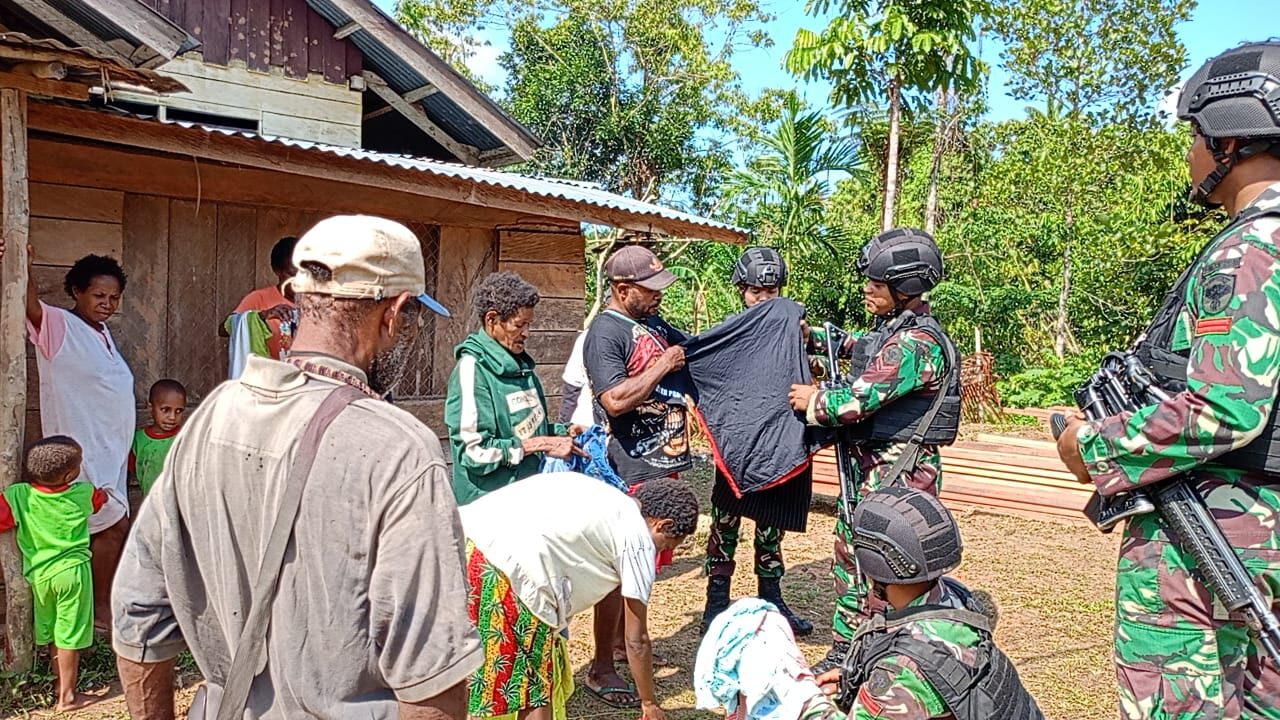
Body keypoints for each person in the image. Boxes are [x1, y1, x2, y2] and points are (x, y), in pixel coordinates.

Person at [111, 214, 477, 720]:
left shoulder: (210, 418)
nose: (406, 335)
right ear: (393, 313)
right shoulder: (399, 448)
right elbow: (429, 676)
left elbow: (138, 617)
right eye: (412, 317)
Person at [1056, 41, 1280, 719]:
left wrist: (1089, 446)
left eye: (1194, 135)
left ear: (1231, 138)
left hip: (1213, 530)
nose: (1189, 153)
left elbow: (1221, 407)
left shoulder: (1251, 248)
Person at [695, 487, 1043, 720]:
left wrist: (799, 698)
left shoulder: (906, 671)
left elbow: (905, 686)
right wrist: (852, 680)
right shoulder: (955, 601)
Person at [787, 228, 961, 673]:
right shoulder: (893, 332)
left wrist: (814, 400)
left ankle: (895, 647)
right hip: (872, 470)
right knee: (853, 559)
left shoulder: (915, 345)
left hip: (896, 474)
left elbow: (853, 402)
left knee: (889, 563)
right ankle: (851, 647)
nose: (867, 288)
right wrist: (814, 337)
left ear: (905, 289)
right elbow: (862, 351)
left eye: (877, 284)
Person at [460, 472, 698, 720]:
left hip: (466, 547)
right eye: (665, 545)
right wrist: (649, 704)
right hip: (509, 575)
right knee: (535, 687)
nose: (658, 553)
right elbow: (636, 640)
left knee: (473, 671)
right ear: (663, 525)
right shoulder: (637, 539)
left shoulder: (606, 497)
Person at [583, 244, 691, 690]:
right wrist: (664, 364)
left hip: (661, 466)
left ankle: (628, 644)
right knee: (618, 570)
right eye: (650, 290)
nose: (658, 297)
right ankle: (602, 664)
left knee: (644, 566)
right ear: (622, 289)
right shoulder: (604, 333)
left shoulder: (650, 323)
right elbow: (615, 399)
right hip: (628, 469)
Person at [703, 247, 813, 637]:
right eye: (754, 292)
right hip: (736, 446)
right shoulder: (731, 331)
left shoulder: (796, 329)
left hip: (778, 442)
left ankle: (772, 598)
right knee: (725, 524)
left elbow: (812, 374)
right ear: (741, 291)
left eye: (771, 292)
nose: (763, 299)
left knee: (772, 526)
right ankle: (716, 602)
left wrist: (805, 341)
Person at [20, 251, 134, 629]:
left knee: (107, 525)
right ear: (76, 292)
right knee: (110, 524)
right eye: (98, 296)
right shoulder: (59, 325)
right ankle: (99, 611)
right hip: (79, 450)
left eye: (114, 298)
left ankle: (88, 612)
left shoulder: (103, 334)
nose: (107, 304)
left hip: (109, 450)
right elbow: (28, 304)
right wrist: (21, 263)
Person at [445, 271, 581, 505]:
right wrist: (543, 444)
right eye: (519, 325)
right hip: (489, 506)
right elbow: (474, 452)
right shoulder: (473, 370)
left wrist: (562, 431)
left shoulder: (521, 368)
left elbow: (522, 430)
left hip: (524, 498)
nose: (526, 333)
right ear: (492, 320)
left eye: (529, 324)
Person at [0, 436, 109, 712]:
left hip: (40, 577)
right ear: (70, 474)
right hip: (72, 573)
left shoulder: (19, 495)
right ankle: (68, 698)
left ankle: (59, 686)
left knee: (53, 634)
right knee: (69, 635)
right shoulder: (83, 493)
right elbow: (100, 501)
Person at [220, 235, 299, 360]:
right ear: (276, 270)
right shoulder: (259, 299)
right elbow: (224, 329)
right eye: (292, 274)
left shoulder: (317, 302)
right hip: (268, 375)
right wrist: (260, 317)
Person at [128, 379, 187, 498]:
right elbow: (129, 472)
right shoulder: (138, 441)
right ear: (151, 407)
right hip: (150, 503)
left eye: (178, 411)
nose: (172, 417)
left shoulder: (185, 438)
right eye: (165, 410)